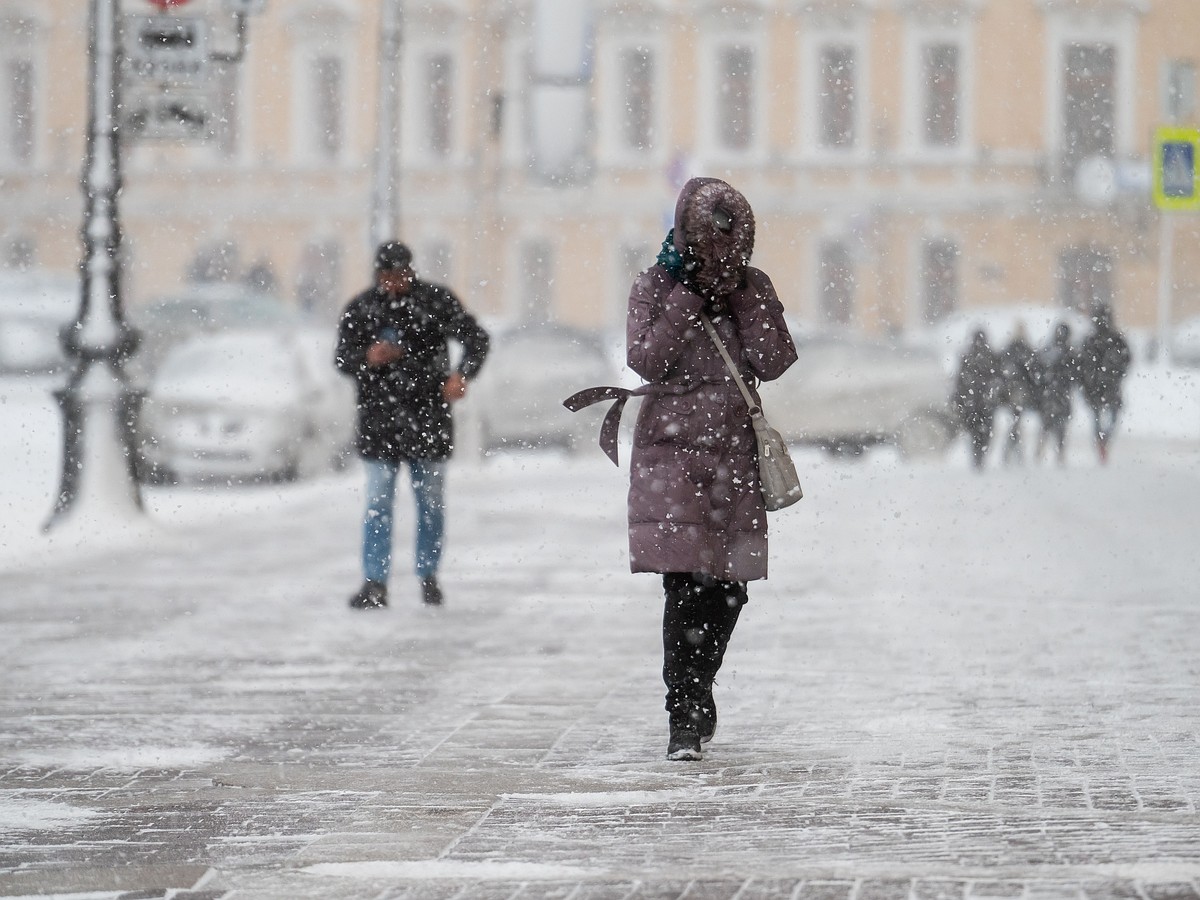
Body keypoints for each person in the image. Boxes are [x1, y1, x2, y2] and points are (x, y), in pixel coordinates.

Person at [626, 177, 797, 761]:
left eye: (731, 242)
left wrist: (742, 296)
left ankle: (698, 685)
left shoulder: (753, 287)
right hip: (672, 454)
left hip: (733, 454)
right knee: (684, 583)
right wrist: (688, 296)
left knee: (730, 589)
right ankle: (685, 712)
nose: (721, 254)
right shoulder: (656, 284)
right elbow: (646, 357)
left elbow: (773, 361)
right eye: (711, 240)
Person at [335, 241, 489, 609]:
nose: (394, 284)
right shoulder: (362, 308)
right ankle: (375, 581)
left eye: (400, 275)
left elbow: (476, 338)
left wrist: (461, 375)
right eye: (386, 277)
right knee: (377, 502)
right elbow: (342, 357)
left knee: (430, 503)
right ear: (378, 275)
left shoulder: (434, 302)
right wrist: (367, 357)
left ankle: (428, 575)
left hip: (427, 417)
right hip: (379, 420)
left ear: (410, 271)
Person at [1077, 305, 1131, 464]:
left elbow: (1081, 363)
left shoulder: (1091, 339)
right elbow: (1127, 359)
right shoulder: (1116, 339)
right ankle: (1104, 440)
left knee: (1097, 416)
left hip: (1094, 386)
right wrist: (1117, 374)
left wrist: (1087, 380)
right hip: (1110, 385)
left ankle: (1101, 441)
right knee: (1111, 415)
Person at [952, 330, 1002, 470]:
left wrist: (958, 398)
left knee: (975, 434)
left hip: (973, 404)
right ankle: (980, 457)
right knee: (983, 433)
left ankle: (977, 457)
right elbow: (998, 378)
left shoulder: (969, 356)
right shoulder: (990, 356)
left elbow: (960, 381)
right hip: (984, 403)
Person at [998, 323, 1040, 466]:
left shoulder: (1010, 349)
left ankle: (1011, 449)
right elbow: (1032, 372)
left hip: (1013, 391)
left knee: (1015, 419)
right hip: (1020, 391)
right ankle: (1013, 449)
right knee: (1016, 419)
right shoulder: (1026, 350)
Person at [1035, 321, 1076, 465]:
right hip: (1061, 395)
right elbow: (1073, 375)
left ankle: (1040, 450)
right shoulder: (1068, 352)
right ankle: (1059, 452)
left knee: (1046, 425)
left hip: (1048, 395)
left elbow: (1036, 370)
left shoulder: (1047, 350)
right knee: (1060, 427)